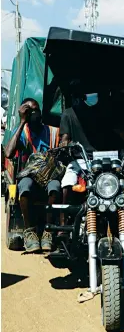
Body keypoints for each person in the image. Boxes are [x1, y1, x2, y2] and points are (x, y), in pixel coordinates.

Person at [4, 98, 61, 252]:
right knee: (25, 186)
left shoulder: (53, 132)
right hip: (30, 177)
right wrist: (22, 122)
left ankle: (48, 232)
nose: (34, 114)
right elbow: (8, 153)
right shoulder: (24, 133)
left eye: (36, 111)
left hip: (49, 176)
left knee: (55, 186)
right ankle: (30, 232)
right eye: (30, 112)